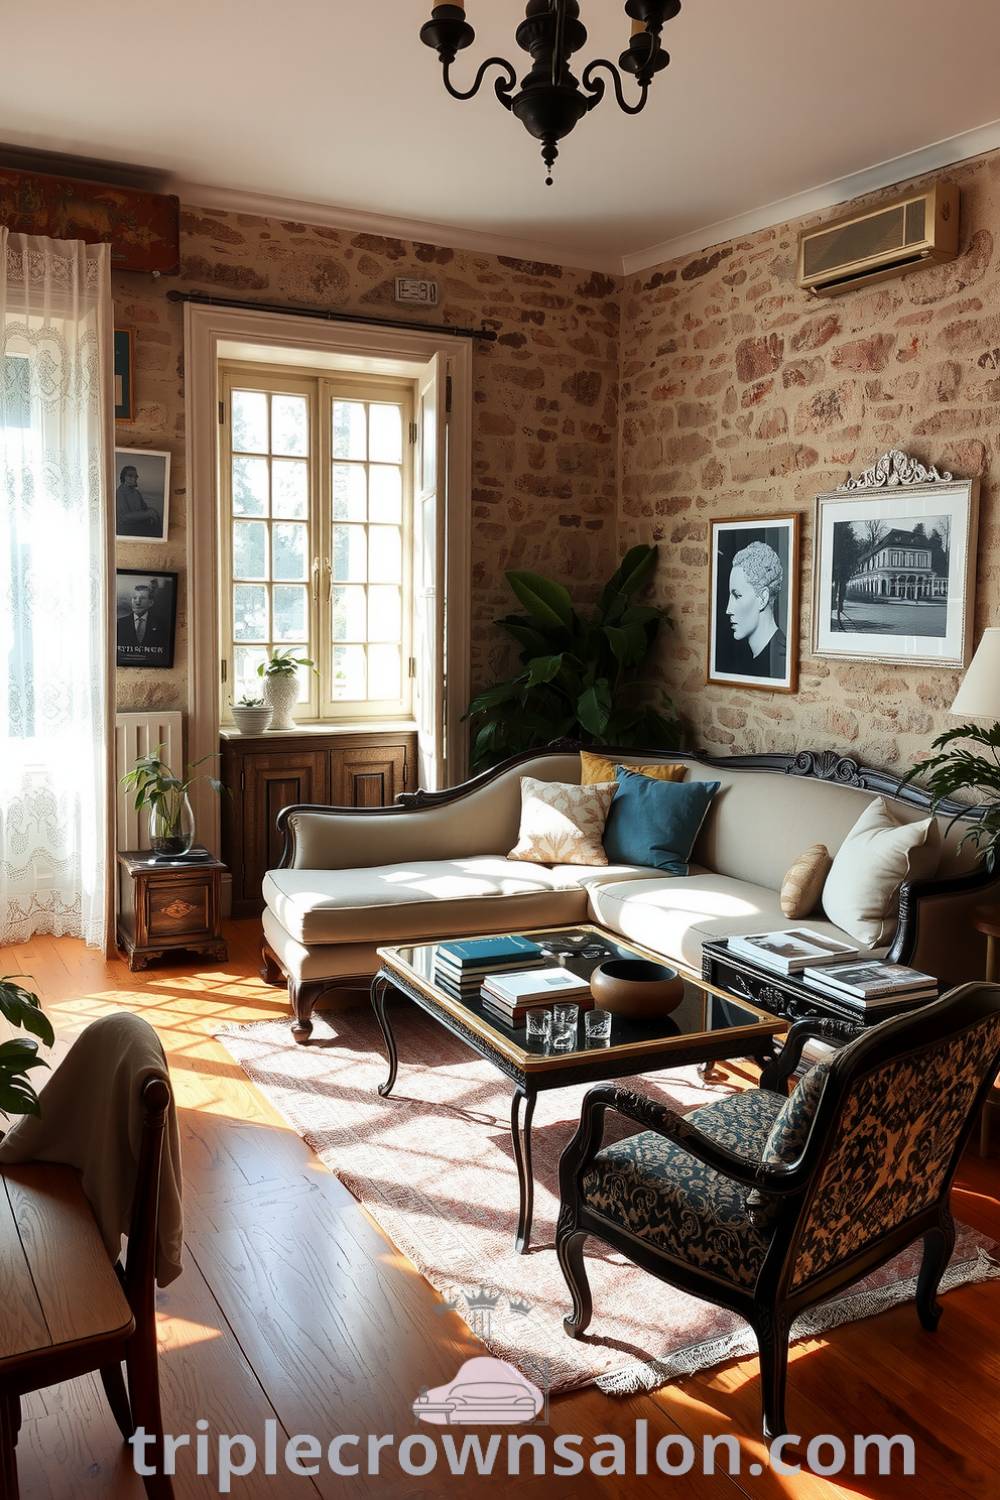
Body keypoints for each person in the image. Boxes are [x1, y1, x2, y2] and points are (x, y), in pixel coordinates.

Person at [725, 540, 787, 680]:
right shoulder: (749, 658)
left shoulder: (781, 661)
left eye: (737, 596)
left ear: (762, 598)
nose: (728, 610)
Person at [117, 581, 168, 659]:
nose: (137, 602)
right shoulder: (120, 624)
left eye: (142, 598)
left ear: (150, 603)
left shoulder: (161, 625)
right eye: (134, 598)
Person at [116, 464, 161, 538]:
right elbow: (124, 517)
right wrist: (148, 514)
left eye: (135, 476)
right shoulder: (120, 493)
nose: (134, 478)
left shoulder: (136, 492)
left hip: (139, 525)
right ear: (124, 477)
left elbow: (144, 508)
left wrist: (151, 511)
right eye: (130, 476)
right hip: (127, 530)